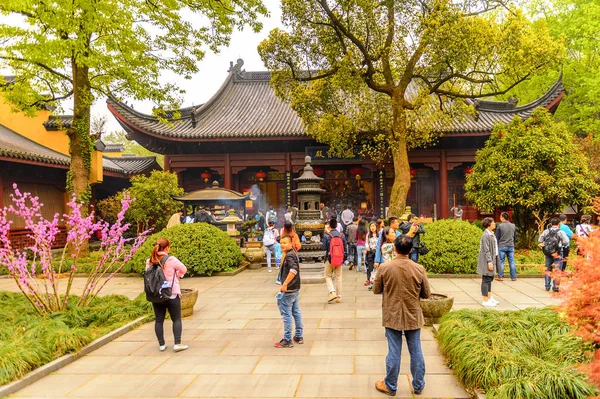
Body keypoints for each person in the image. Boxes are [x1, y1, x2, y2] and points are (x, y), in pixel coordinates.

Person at [373, 235, 431, 396]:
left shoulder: (385, 268)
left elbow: (376, 290)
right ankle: (418, 385)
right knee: (416, 350)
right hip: (413, 313)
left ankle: (391, 385)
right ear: (411, 250)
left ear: (395, 249)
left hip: (392, 314)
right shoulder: (419, 269)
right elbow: (426, 294)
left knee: (393, 351)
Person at [146, 238, 189, 352]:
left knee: (159, 320)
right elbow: (183, 269)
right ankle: (177, 343)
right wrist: (178, 276)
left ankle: (161, 344)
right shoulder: (171, 260)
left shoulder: (149, 261)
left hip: (157, 295)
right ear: (166, 248)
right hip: (171, 293)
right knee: (176, 319)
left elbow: (148, 276)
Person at [274, 235, 303, 348]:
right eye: (281, 243)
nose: (282, 245)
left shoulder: (290, 255)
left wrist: (285, 284)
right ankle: (299, 336)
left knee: (287, 315)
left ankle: (287, 339)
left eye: (285, 243)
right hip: (295, 288)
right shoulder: (291, 253)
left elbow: (294, 270)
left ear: (291, 244)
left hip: (290, 289)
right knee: (296, 312)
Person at [539, 217, 570, 292]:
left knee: (548, 268)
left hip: (548, 252)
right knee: (557, 270)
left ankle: (547, 286)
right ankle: (555, 287)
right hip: (558, 252)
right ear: (559, 224)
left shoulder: (546, 231)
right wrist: (561, 243)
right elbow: (566, 241)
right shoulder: (561, 232)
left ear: (551, 223)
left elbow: (540, 240)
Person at [477, 217, 501, 307]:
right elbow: (486, 250)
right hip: (487, 260)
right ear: (488, 225)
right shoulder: (485, 235)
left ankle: (489, 297)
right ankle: (485, 300)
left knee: (489, 279)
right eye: (493, 222)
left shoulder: (491, 234)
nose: (494, 223)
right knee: (486, 279)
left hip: (492, 258)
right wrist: (490, 262)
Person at [322, 218, 347, 303]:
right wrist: (344, 258)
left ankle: (332, 292)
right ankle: (339, 296)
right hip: (339, 258)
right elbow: (345, 247)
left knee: (327, 275)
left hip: (330, 259)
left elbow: (324, 247)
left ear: (329, 226)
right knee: (338, 277)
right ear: (337, 226)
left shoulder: (326, 235)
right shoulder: (341, 235)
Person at [495, 212, 517, 281]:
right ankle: (513, 277)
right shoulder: (513, 225)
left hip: (502, 246)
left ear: (503, 218)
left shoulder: (500, 226)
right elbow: (515, 237)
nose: (500, 218)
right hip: (511, 245)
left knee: (501, 261)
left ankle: (500, 276)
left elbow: (497, 238)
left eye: (500, 217)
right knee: (512, 261)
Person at [364, 222, 379, 286]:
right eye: (371, 226)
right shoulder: (368, 235)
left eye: (373, 226)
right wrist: (367, 247)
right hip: (370, 252)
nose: (372, 227)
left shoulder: (379, 234)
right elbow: (366, 242)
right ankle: (369, 279)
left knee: (377, 267)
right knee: (370, 266)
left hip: (377, 252)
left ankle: (377, 280)